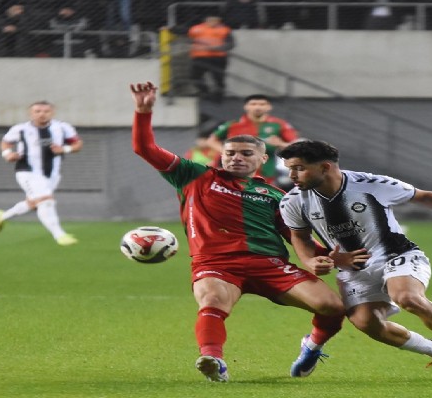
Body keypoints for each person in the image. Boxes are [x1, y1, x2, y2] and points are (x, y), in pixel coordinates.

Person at [129, 81, 346, 382]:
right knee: (212, 301)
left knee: (332, 306)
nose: (236, 158)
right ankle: (214, 360)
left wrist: (325, 255)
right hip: (216, 264)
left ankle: (312, 346)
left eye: (245, 153)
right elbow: (145, 149)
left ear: (263, 159)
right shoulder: (195, 176)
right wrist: (143, 112)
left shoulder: (276, 196)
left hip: (270, 264)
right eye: (230, 153)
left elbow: (297, 237)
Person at [278, 140, 432, 380]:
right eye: (289, 169)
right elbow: (300, 237)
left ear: (325, 167)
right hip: (354, 270)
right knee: (368, 324)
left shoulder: (371, 184)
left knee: (408, 297)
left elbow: (421, 196)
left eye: (299, 168)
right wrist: (311, 261)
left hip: (397, 254)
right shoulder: (293, 201)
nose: (292, 175)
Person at [0, 101, 82, 246]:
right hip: (27, 171)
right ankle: (60, 235)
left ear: (52, 113)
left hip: (52, 173)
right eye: (38, 111)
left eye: (46, 111)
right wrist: (7, 154)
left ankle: (3, 216)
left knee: (33, 203)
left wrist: (65, 149)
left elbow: (77, 144)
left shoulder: (62, 127)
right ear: (31, 113)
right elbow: (6, 142)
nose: (42, 114)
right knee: (46, 201)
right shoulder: (20, 129)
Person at [206, 94, 298, 187]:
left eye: (262, 104)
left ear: (269, 107)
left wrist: (280, 144)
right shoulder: (233, 124)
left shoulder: (279, 125)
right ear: (246, 106)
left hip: (265, 170)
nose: (257, 107)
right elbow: (211, 140)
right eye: (253, 104)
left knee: (260, 194)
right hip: (234, 169)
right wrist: (228, 152)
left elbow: (296, 146)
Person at [187, 15, 234, 102]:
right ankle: (205, 92)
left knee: (218, 78)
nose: (213, 21)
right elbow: (189, 40)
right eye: (210, 19)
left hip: (218, 57)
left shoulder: (225, 29)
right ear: (205, 20)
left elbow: (230, 44)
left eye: (215, 19)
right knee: (194, 76)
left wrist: (218, 48)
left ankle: (218, 97)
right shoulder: (195, 29)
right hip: (200, 56)